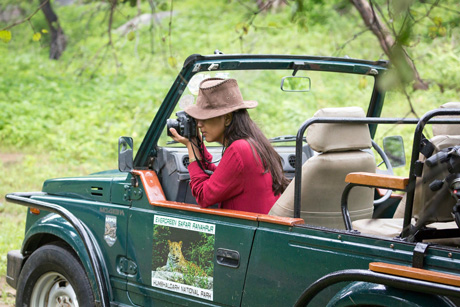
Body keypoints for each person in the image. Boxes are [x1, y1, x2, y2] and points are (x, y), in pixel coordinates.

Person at [169, 78, 289, 214]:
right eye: (198, 119)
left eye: (205, 118)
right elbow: (221, 178)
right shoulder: (252, 143)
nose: (199, 124)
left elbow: (204, 196)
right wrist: (197, 144)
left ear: (227, 118)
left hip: (247, 232)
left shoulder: (239, 149)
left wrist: (191, 148)